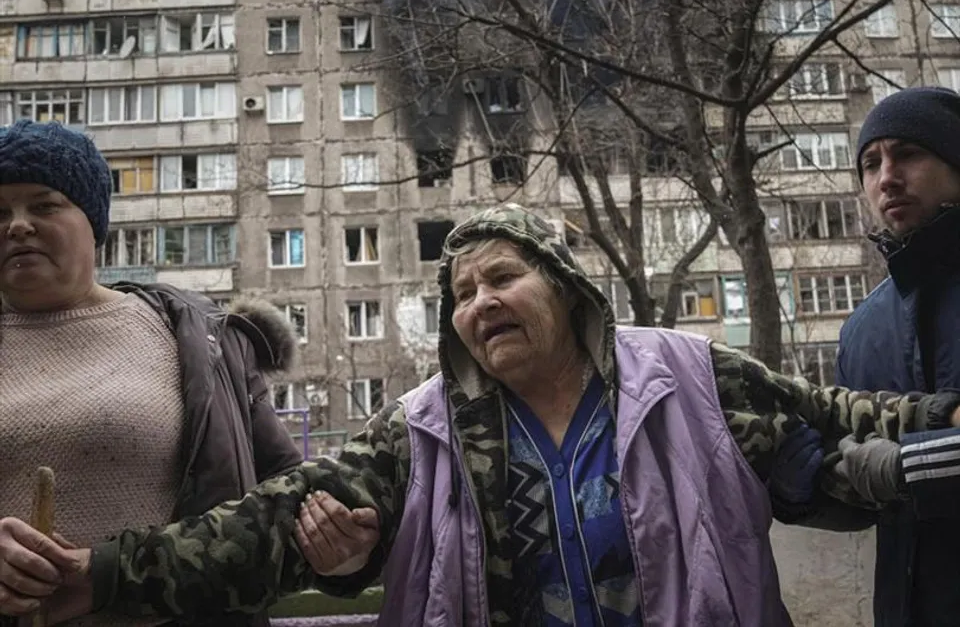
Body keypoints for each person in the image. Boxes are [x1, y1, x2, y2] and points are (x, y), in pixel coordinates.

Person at [13, 203, 960, 627]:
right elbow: (264, 530)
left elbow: (845, 423)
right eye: (460, 294)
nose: (477, 303)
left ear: (566, 285)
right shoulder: (424, 424)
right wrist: (103, 574)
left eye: (501, 276)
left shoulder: (688, 374)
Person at [0, 119, 379, 627]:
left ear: (93, 220)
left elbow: (288, 495)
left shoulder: (197, 337)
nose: (17, 225)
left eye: (44, 204)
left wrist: (344, 548)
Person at [823, 86, 960, 626]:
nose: (887, 178)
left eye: (908, 153)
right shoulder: (861, 329)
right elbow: (851, 470)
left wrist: (907, 467)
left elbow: (891, 469)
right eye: (870, 163)